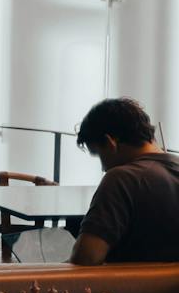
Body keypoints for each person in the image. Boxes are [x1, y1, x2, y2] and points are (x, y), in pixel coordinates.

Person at [70, 98, 179, 265]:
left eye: (99, 154)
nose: (103, 168)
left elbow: (86, 258)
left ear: (110, 142)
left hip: (134, 282)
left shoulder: (121, 179)